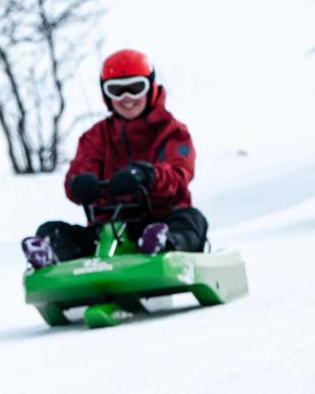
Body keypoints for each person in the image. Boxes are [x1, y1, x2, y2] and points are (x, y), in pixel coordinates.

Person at [21, 48, 207, 268]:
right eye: (117, 90)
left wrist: (147, 175)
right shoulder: (96, 137)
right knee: (51, 229)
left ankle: (162, 245)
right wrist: (80, 184)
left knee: (192, 220)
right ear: (106, 95)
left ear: (151, 89)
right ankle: (52, 257)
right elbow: (78, 172)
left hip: (159, 219)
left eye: (135, 89)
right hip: (105, 231)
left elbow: (179, 175)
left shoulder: (172, 132)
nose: (127, 98)